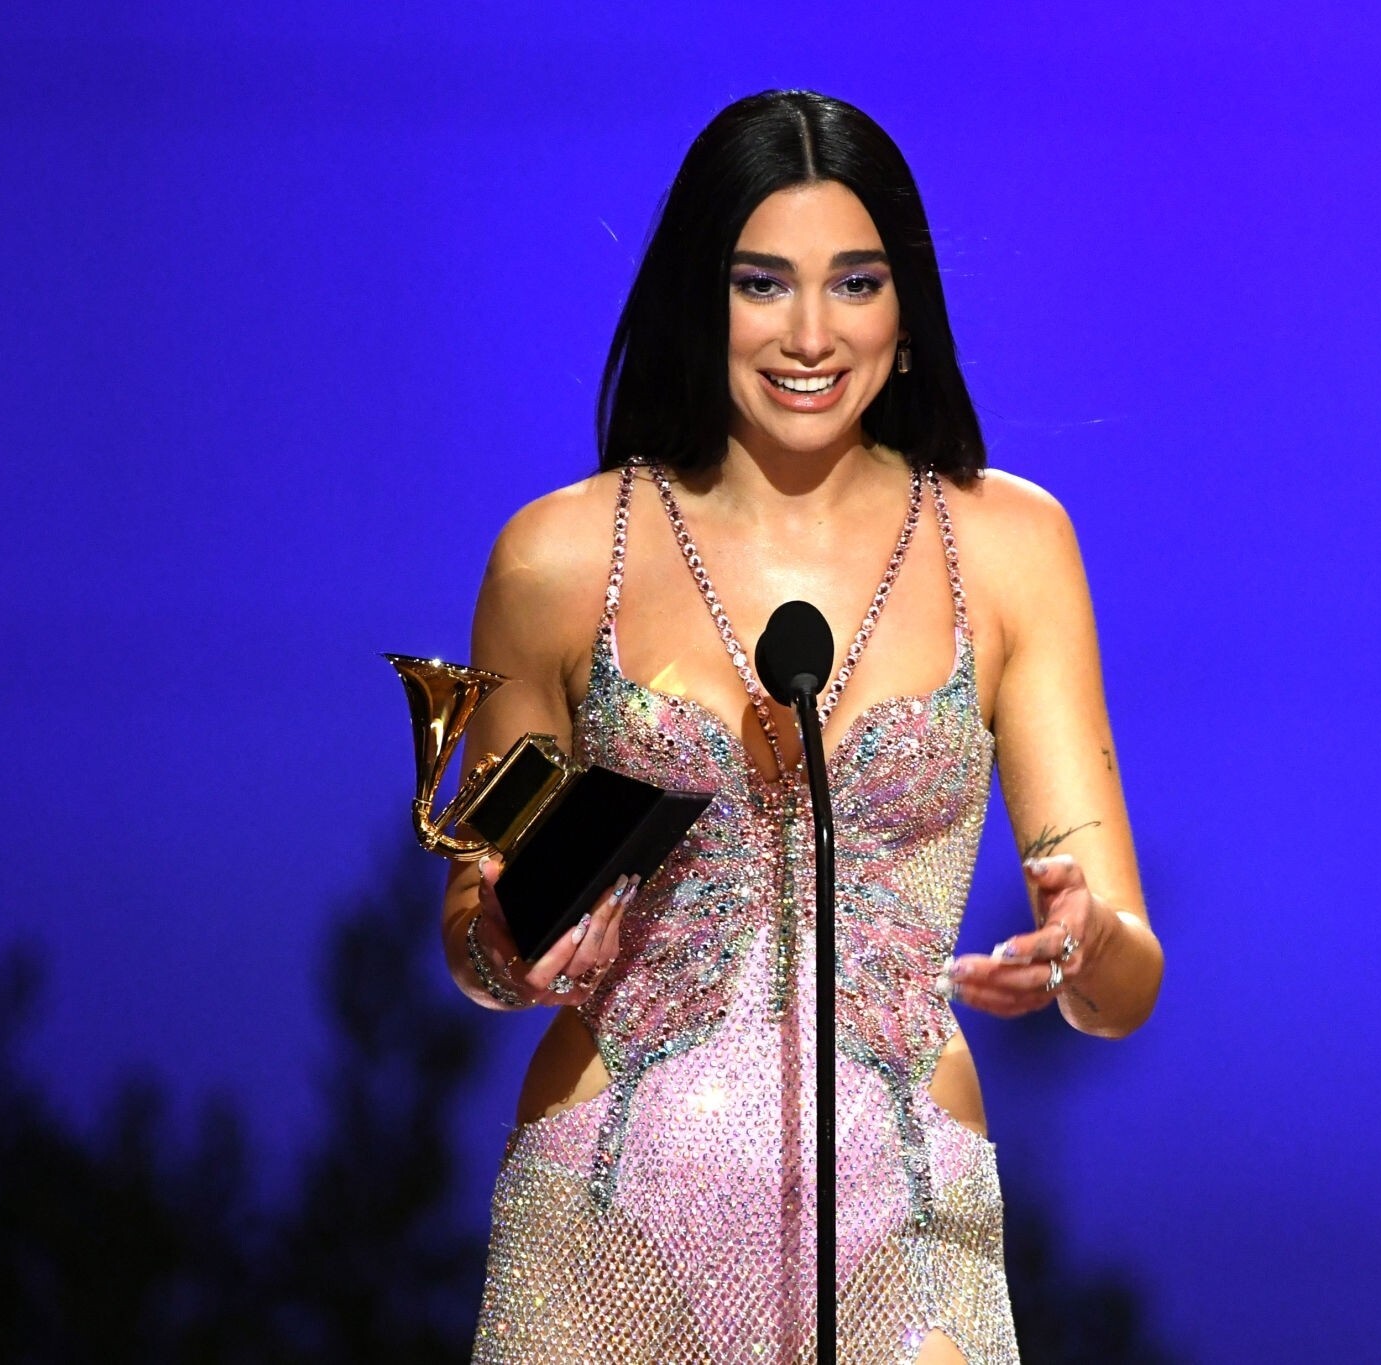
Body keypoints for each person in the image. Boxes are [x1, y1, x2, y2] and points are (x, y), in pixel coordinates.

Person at [440, 89, 1164, 1365]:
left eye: (856, 283)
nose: (812, 335)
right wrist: (505, 946)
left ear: (906, 306)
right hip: (606, 1226)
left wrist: (1084, 948)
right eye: (761, 284)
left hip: (907, 1230)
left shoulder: (1009, 546)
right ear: (696, 295)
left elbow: (1122, 979)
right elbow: (472, 931)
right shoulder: (557, 559)